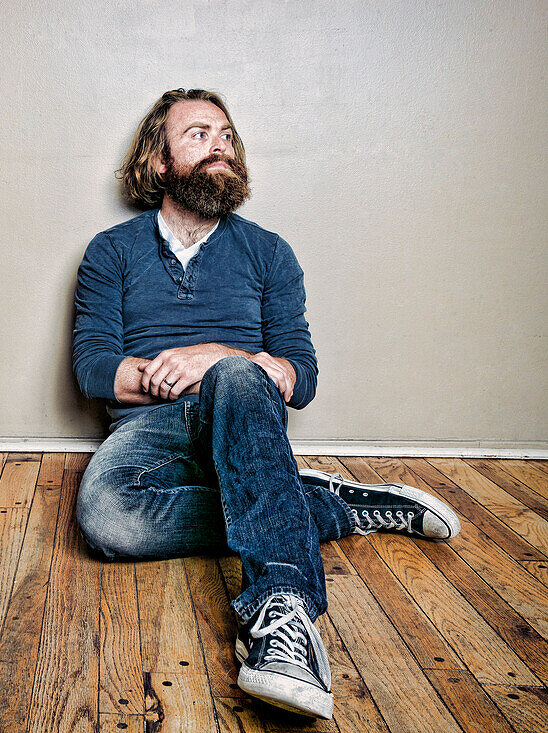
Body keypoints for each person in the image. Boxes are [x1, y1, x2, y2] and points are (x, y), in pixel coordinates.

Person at [72, 88, 460, 719]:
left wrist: (219, 359)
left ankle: (283, 618)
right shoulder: (111, 251)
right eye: (197, 134)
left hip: (243, 411)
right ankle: (322, 505)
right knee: (106, 518)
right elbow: (93, 370)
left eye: (225, 134)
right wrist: (173, 373)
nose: (218, 144)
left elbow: (299, 376)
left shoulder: (271, 253)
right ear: (158, 157)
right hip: (150, 431)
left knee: (238, 377)